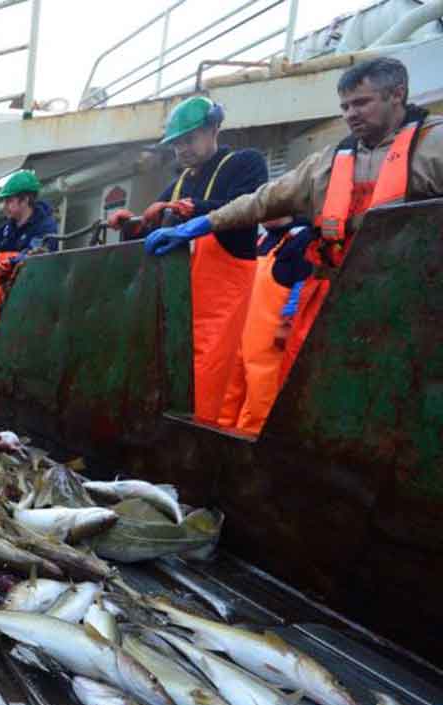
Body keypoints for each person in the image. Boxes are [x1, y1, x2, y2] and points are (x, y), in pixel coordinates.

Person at [146, 57, 443, 430]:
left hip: (409, 301)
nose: (351, 114)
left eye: (362, 103)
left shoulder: (435, 146)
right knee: (316, 395)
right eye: (345, 106)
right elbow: (263, 199)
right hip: (333, 299)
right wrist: (201, 224)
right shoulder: (331, 160)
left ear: (397, 94)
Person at [113, 96, 268, 424]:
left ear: (214, 129)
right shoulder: (176, 184)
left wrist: (192, 209)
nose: (181, 149)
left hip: (223, 306)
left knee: (212, 386)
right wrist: (132, 225)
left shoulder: (245, 164)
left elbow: (247, 206)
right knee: (172, 383)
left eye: (189, 139)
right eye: (175, 144)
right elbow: (151, 236)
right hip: (179, 305)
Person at [215, 217, 316, 434]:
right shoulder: (261, 241)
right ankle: (218, 435)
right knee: (229, 388)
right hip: (243, 328)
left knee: (261, 393)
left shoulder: (302, 238)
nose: (268, 214)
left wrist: (288, 320)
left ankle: (249, 443)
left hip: (270, 333)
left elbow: (303, 281)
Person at [0, 170, 58, 335]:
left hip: (28, 306)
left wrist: (10, 264)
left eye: (9, 201)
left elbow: (37, 252)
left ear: (25, 200)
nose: (5, 206)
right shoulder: (3, 231)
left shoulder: (46, 227)